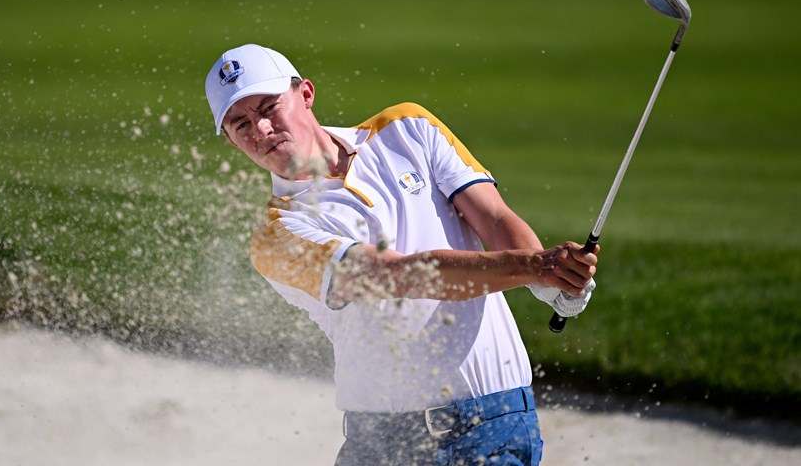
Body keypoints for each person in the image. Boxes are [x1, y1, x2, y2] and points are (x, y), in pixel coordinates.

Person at [204, 43, 597, 466]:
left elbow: (494, 215)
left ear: (305, 94)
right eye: (240, 123)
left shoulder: (406, 127)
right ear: (229, 139)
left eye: (268, 107)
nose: (260, 130)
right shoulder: (275, 235)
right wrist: (534, 267)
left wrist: (550, 281)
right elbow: (402, 277)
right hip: (384, 442)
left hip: (495, 426)